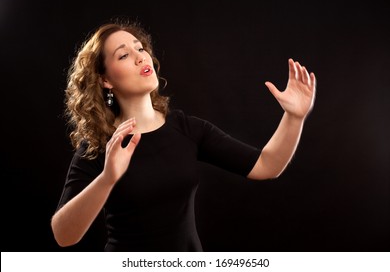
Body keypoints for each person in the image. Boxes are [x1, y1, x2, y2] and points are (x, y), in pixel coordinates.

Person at [51, 19, 316, 252]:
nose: (140, 57)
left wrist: (294, 117)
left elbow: (267, 165)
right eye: (123, 55)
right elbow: (63, 235)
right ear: (105, 80)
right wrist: (107, 178)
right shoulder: (99, 145)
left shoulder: (187, 129)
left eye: (140, 48)